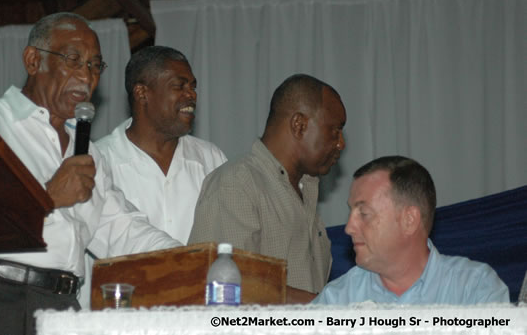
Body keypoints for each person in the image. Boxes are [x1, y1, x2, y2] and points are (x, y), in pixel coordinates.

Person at [0, 12, 181, 334]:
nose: (86, 77)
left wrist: (193, 259)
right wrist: (46, 197)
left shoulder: (87, 150)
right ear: (33, 61)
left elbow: (121, 228)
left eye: (95, 65)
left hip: (63, 307)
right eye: (73, 60)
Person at [189, 74, 347, 294]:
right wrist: (321, 308)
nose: (341, 143)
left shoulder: (306, 190)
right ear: (299, 125)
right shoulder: (237, 183)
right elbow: (224, 290)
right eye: (335, 130)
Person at [312, 156, 510, 305]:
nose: (349, 228)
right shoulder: (337, 299)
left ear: (409, 220)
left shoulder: (474, 289)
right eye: (351, 212)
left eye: (364, 213)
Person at [95, 46, 227, 244]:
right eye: (179, 86)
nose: (191, 94)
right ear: (142, 93)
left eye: (193, 86)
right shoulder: (100, 159)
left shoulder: (211, 158)